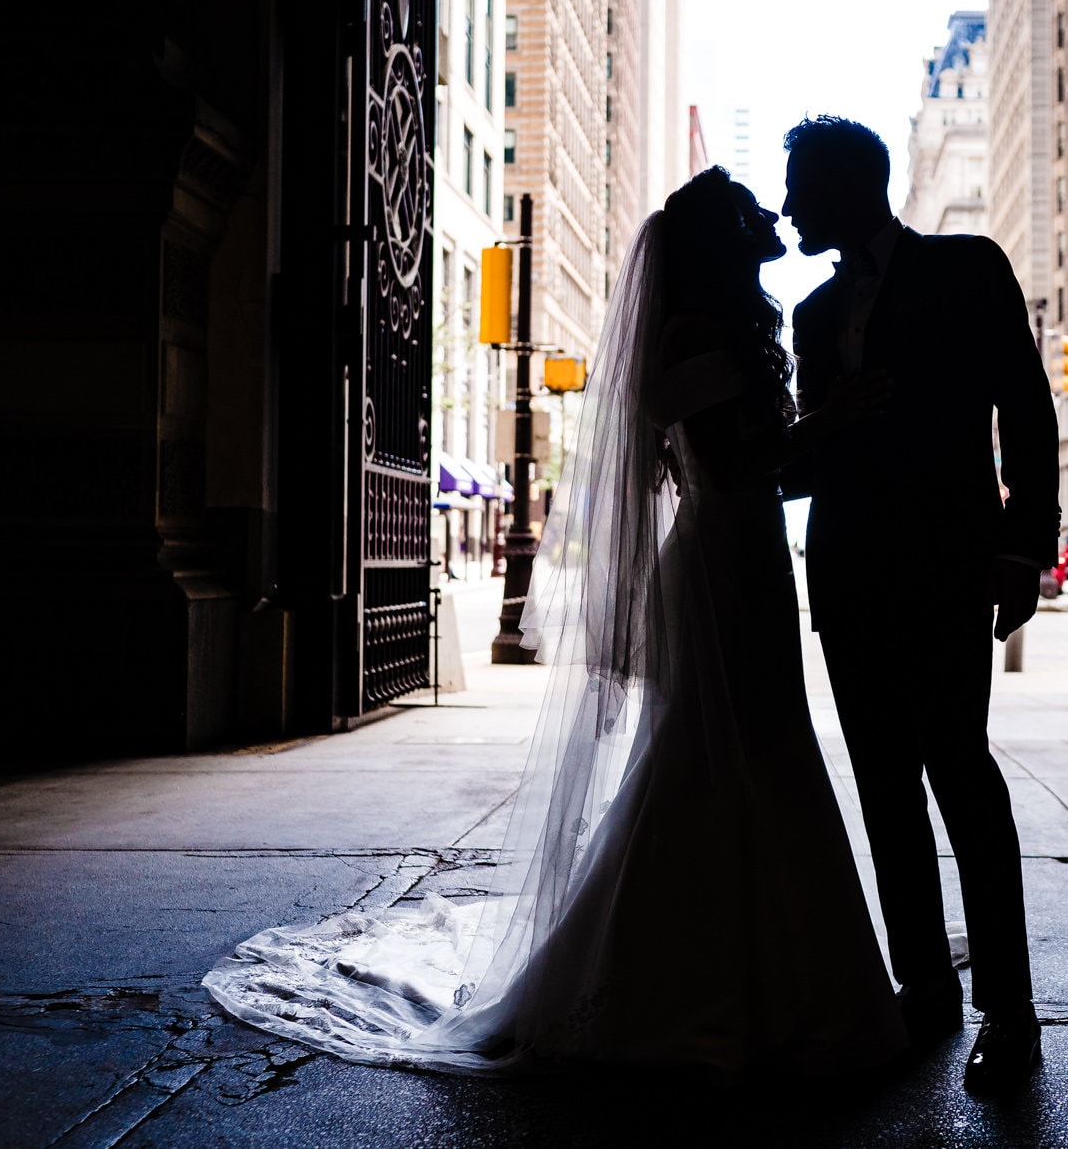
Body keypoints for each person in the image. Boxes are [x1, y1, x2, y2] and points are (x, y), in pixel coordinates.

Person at [204, 168, 905, 1077]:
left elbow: (753, 464)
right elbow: (736, 467)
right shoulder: (697, 331)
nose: (770, 216)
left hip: (747, 561)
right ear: (721, 244)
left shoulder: (727, 327)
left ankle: (751, 963)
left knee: (743, 749)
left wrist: (818, 432)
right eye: (750, 212)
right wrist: (830, 419)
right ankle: (693, 970)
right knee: (719, 750)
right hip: (723, 567)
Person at [781, 116, 1060, 1095]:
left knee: (961, 774)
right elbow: (799, 467)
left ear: (851, 185)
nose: (786, 208)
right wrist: (818, 426)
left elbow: (1025, 407)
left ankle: (1010, 1012)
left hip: (946, 566)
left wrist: (1024, 543)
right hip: (847, 576)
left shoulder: (966, 268)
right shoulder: (811, 317)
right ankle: (924, 988)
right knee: (883, 788)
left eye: (799, 189)